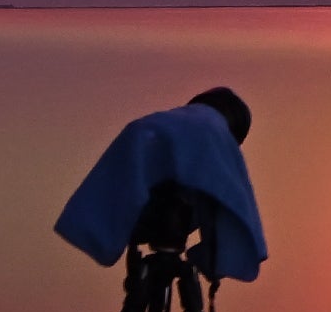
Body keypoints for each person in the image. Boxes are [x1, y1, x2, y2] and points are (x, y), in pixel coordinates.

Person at [53, 86, 270, 278]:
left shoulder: (166, 126)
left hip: (135, 155)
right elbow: (232, 205)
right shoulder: (215, 134)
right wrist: (215, 260)